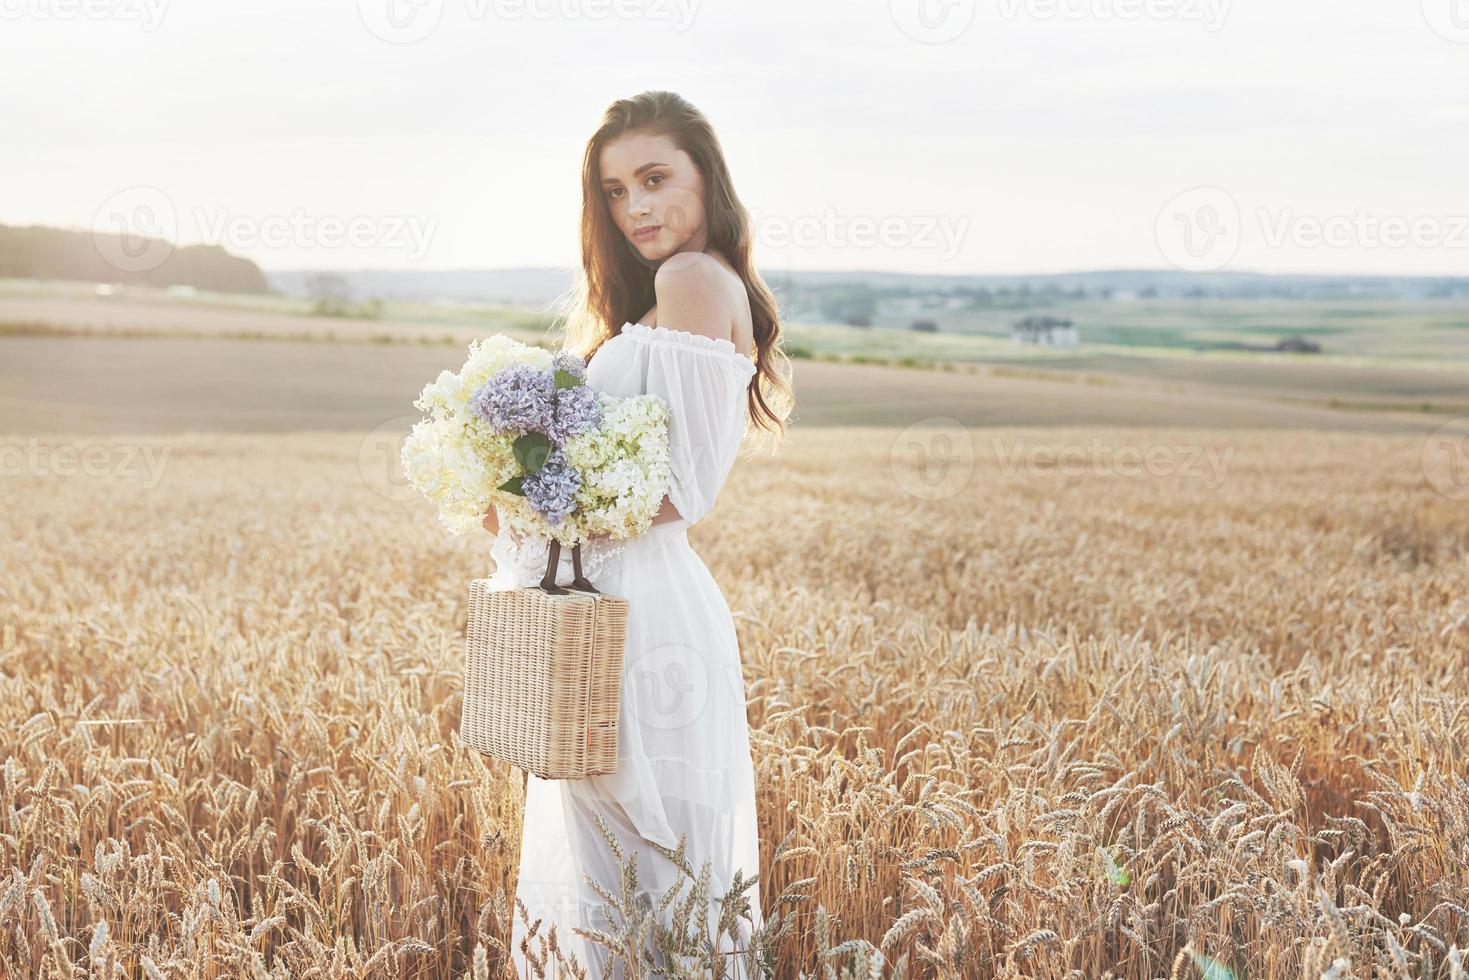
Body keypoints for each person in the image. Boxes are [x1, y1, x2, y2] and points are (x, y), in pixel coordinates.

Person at [480, 90, 793, 978]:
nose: (637, 208)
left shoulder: (690, 281)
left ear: (706, 178)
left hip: (638, 612)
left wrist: (531, 498)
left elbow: (676, 490)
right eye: (616, 192)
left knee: (641, 866)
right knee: (629, 872)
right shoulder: (662, 296)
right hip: (615, 603)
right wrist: (502, 477)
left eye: (655, 179)